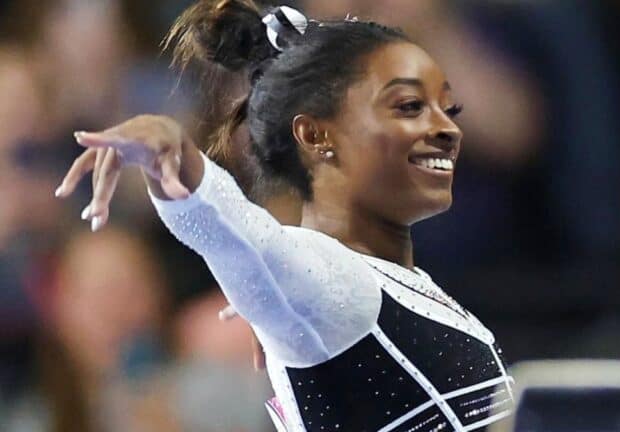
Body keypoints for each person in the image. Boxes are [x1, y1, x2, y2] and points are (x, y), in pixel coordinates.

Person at [55, 1, 514, 430]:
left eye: (445, 107)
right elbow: (244, 240)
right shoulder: (336, 287)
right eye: (408, 108)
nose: (446, 129)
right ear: (316, 136)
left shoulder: (373, 285)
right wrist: (175, 161)